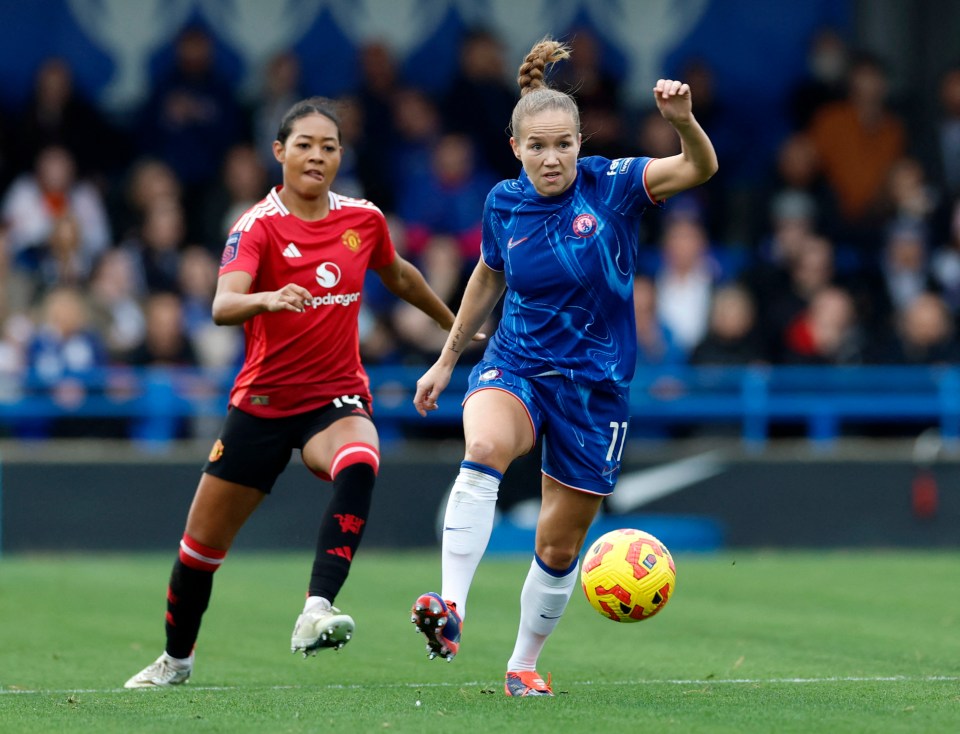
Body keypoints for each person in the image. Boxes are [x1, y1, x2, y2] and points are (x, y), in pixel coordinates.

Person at [408, 38, 717, 697]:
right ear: (516, 147)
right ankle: (451, 609)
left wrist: (683, 120)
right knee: (486, 443)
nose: (552, 159)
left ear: (581, 142)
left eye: (564, 145)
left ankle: (523, 663)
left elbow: (699, 170)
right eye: (538, 147)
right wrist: (447, 359)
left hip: (594, 391)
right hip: (516, 363)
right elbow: (488, 277)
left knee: (556, 546)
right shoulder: (503, 203)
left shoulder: (616, 186)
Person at [124, 96, 463, 688]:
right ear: (279, 152)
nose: (317, 156)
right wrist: (268, 298)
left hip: (334, 398)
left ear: (340, 157)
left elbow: (401, 274)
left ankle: (316, 610)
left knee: (361, 458)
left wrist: (454, 325)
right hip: (262, 406)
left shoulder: (363, 220)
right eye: (304, 144)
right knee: (199, 552)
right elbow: (222, 304)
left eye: (329, 146)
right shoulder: (256, 226)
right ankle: (175, 662)